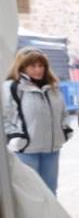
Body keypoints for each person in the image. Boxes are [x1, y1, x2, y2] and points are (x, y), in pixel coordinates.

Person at [2, 47, 72, 194]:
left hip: (51, 150)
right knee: (31, 194)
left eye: (41, 66)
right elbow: (6, 117)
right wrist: (18, 138)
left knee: (50, 192)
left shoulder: (53, 87)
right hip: (26, 151)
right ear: (22, 67)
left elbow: (63, 113)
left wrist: (65, 131)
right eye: (33, 66)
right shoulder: (12, 87)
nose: (38, 70)